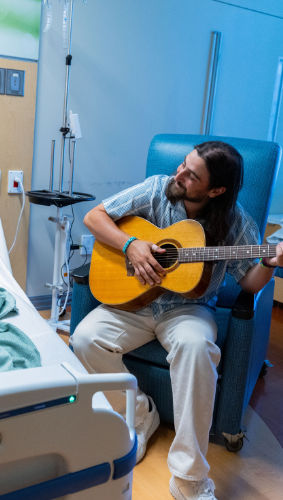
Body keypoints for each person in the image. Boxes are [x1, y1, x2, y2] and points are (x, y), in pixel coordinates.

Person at [71, 142, 283, 500]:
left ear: (215, 190)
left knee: (198, 347)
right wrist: (130, 245)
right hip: (133, 305)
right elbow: (95, 217)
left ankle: (189, 478)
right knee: (84, 339)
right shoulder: (157, 188)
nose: (179, 175)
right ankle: (140, 413)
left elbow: (248, 282)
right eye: (184, 165)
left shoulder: (232, 221)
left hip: (188, 310)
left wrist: (270, 262)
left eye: (191, 175)